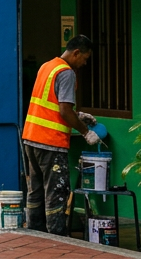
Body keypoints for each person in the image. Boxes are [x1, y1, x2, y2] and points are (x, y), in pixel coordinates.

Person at [22, 35, 100, 235]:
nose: (84, 63)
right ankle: (57, 236)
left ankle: (35, 232)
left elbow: (51, 105)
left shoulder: (47, 66)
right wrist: (86, 132)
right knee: (56, 191)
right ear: (76, 53)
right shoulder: (67, 73)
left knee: (35, 189)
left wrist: (78, 116)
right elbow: (64, 111)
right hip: (51, 142)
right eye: (85, 58)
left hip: (31, 137)